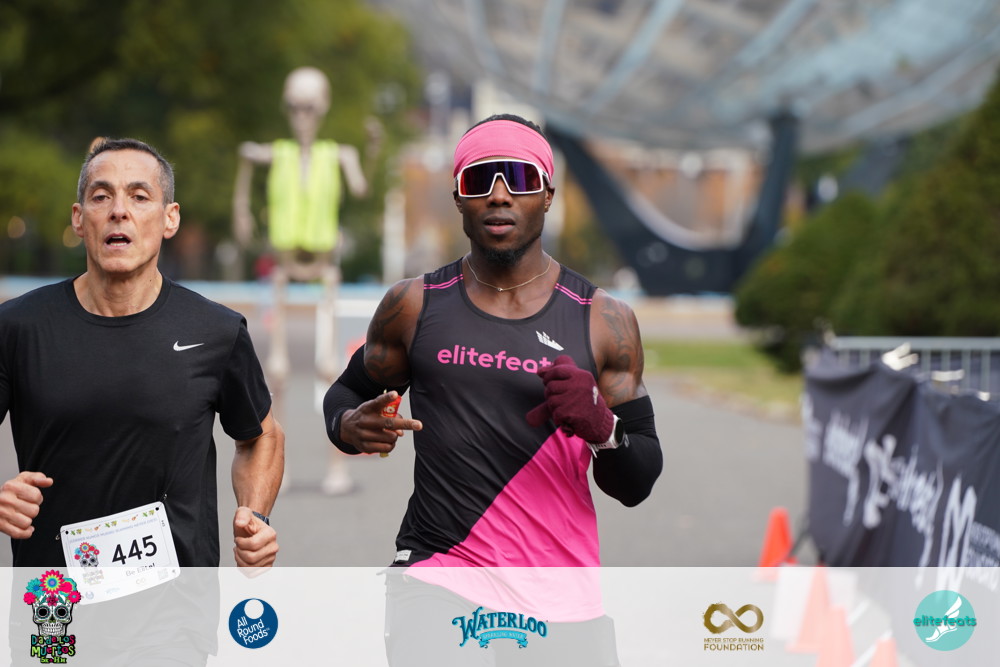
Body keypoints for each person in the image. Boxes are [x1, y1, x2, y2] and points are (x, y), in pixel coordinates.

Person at [323, 114, 662, 665]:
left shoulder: (603, 319)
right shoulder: (413, 305)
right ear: (459, 196)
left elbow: (638, 481)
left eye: (519, 178)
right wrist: (348, 425)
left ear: (547, 195)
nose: (499, 195)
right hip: (438, 572)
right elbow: (343, 395)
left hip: (560, 592)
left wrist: (602, 426)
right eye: (480, 179)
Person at [0, 138, 283, 569]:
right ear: (79, 218)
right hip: (54, 596)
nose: (119, 210)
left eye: (139, 196)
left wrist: (255, 516)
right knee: (54, 619)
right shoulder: (18, 326)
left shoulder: (216, 331)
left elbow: (261, 436)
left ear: (170, 218)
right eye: (101, 196)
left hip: (178, 599)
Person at [233, 66, 376, 497]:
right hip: (284, 267)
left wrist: (372, 149)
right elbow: (246, 159)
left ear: (323, 107)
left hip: (323, 268)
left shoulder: (338, 155)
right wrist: (242, 207)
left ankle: (337, 466)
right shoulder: (276, 153)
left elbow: (362, 188)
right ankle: (282, 468)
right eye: (295, 107)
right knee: (276, 372)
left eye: (309, 107)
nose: (302, 117)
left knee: (331, 368)